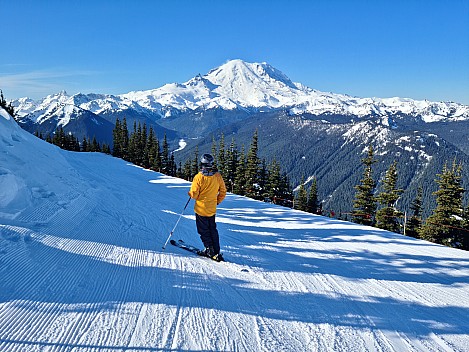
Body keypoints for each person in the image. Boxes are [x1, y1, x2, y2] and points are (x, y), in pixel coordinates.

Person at [188, 153, 227, 261]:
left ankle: (209, 250)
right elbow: (223, 191)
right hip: (212, 208)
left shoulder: (199, 177)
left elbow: (195, 195)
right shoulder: (217, 176)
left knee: (203, 230)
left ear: (202, 164)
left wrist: (191, 193)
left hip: (201, 209)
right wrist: (217, 201)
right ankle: (216, 250)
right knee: (212, 229)